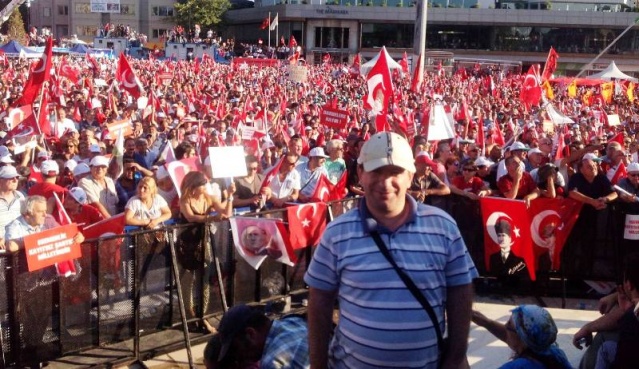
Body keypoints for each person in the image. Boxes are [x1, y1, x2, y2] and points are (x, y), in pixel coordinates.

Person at [304, 132, 477, 369]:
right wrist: (317, 365)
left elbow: (461, 292)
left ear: (410, 176)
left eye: (394, 172)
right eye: (376, 172)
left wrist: (456, 357)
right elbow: (319, 303)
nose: (385, 183)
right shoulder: (336, 233)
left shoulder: (444, 226)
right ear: (361, 174)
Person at [5, 196, 85, 365]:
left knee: (43, 314)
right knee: (28, 317)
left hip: (46, 276)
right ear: (28, 214)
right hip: (25, 280)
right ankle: (29, 353)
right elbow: (11, 245)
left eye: (45, 210)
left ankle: (35, 348)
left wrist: (77, 237)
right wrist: (35, 243)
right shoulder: (15, 225)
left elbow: (64, 234)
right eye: (40, 212)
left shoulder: (48, 220)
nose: (45, 214)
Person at [471, 305, 572, 369]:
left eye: (509, 325)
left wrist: (458, 354)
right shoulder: (555, 354)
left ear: (522, 339)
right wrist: (486, 322)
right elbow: (509, 336)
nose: (505, 326)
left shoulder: (518, 366)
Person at [216, 304, 309, 369]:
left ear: (250, 334)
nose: (240, 357)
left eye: (236, 349)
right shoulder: (293, 321)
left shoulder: (273, 363)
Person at [489, 218, 528, 284]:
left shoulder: (519, 261)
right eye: (499, 235)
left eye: (503, 235)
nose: (501, 239)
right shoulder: (493, 258)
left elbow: (523, 281)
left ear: (510, 238)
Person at [0, 165, 25, 251]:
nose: (15, 180)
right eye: (11, 178)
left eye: (17, 177)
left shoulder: (21, 197)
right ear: (1, 181)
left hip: (18, 244)